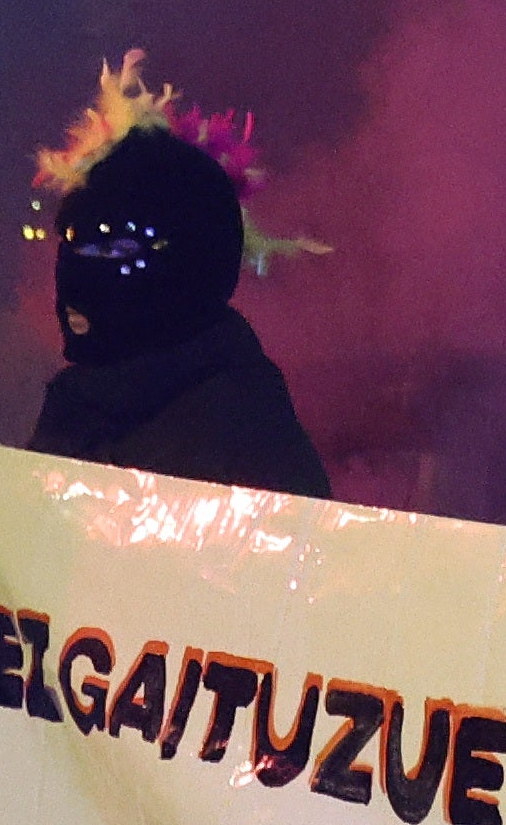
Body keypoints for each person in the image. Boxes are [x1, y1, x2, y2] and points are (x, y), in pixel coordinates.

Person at [29, 52, 329, 500]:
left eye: (115, 246)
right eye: (74, 239)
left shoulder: (241, 436)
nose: (78, 268)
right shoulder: (86, 404)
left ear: (192, 263)